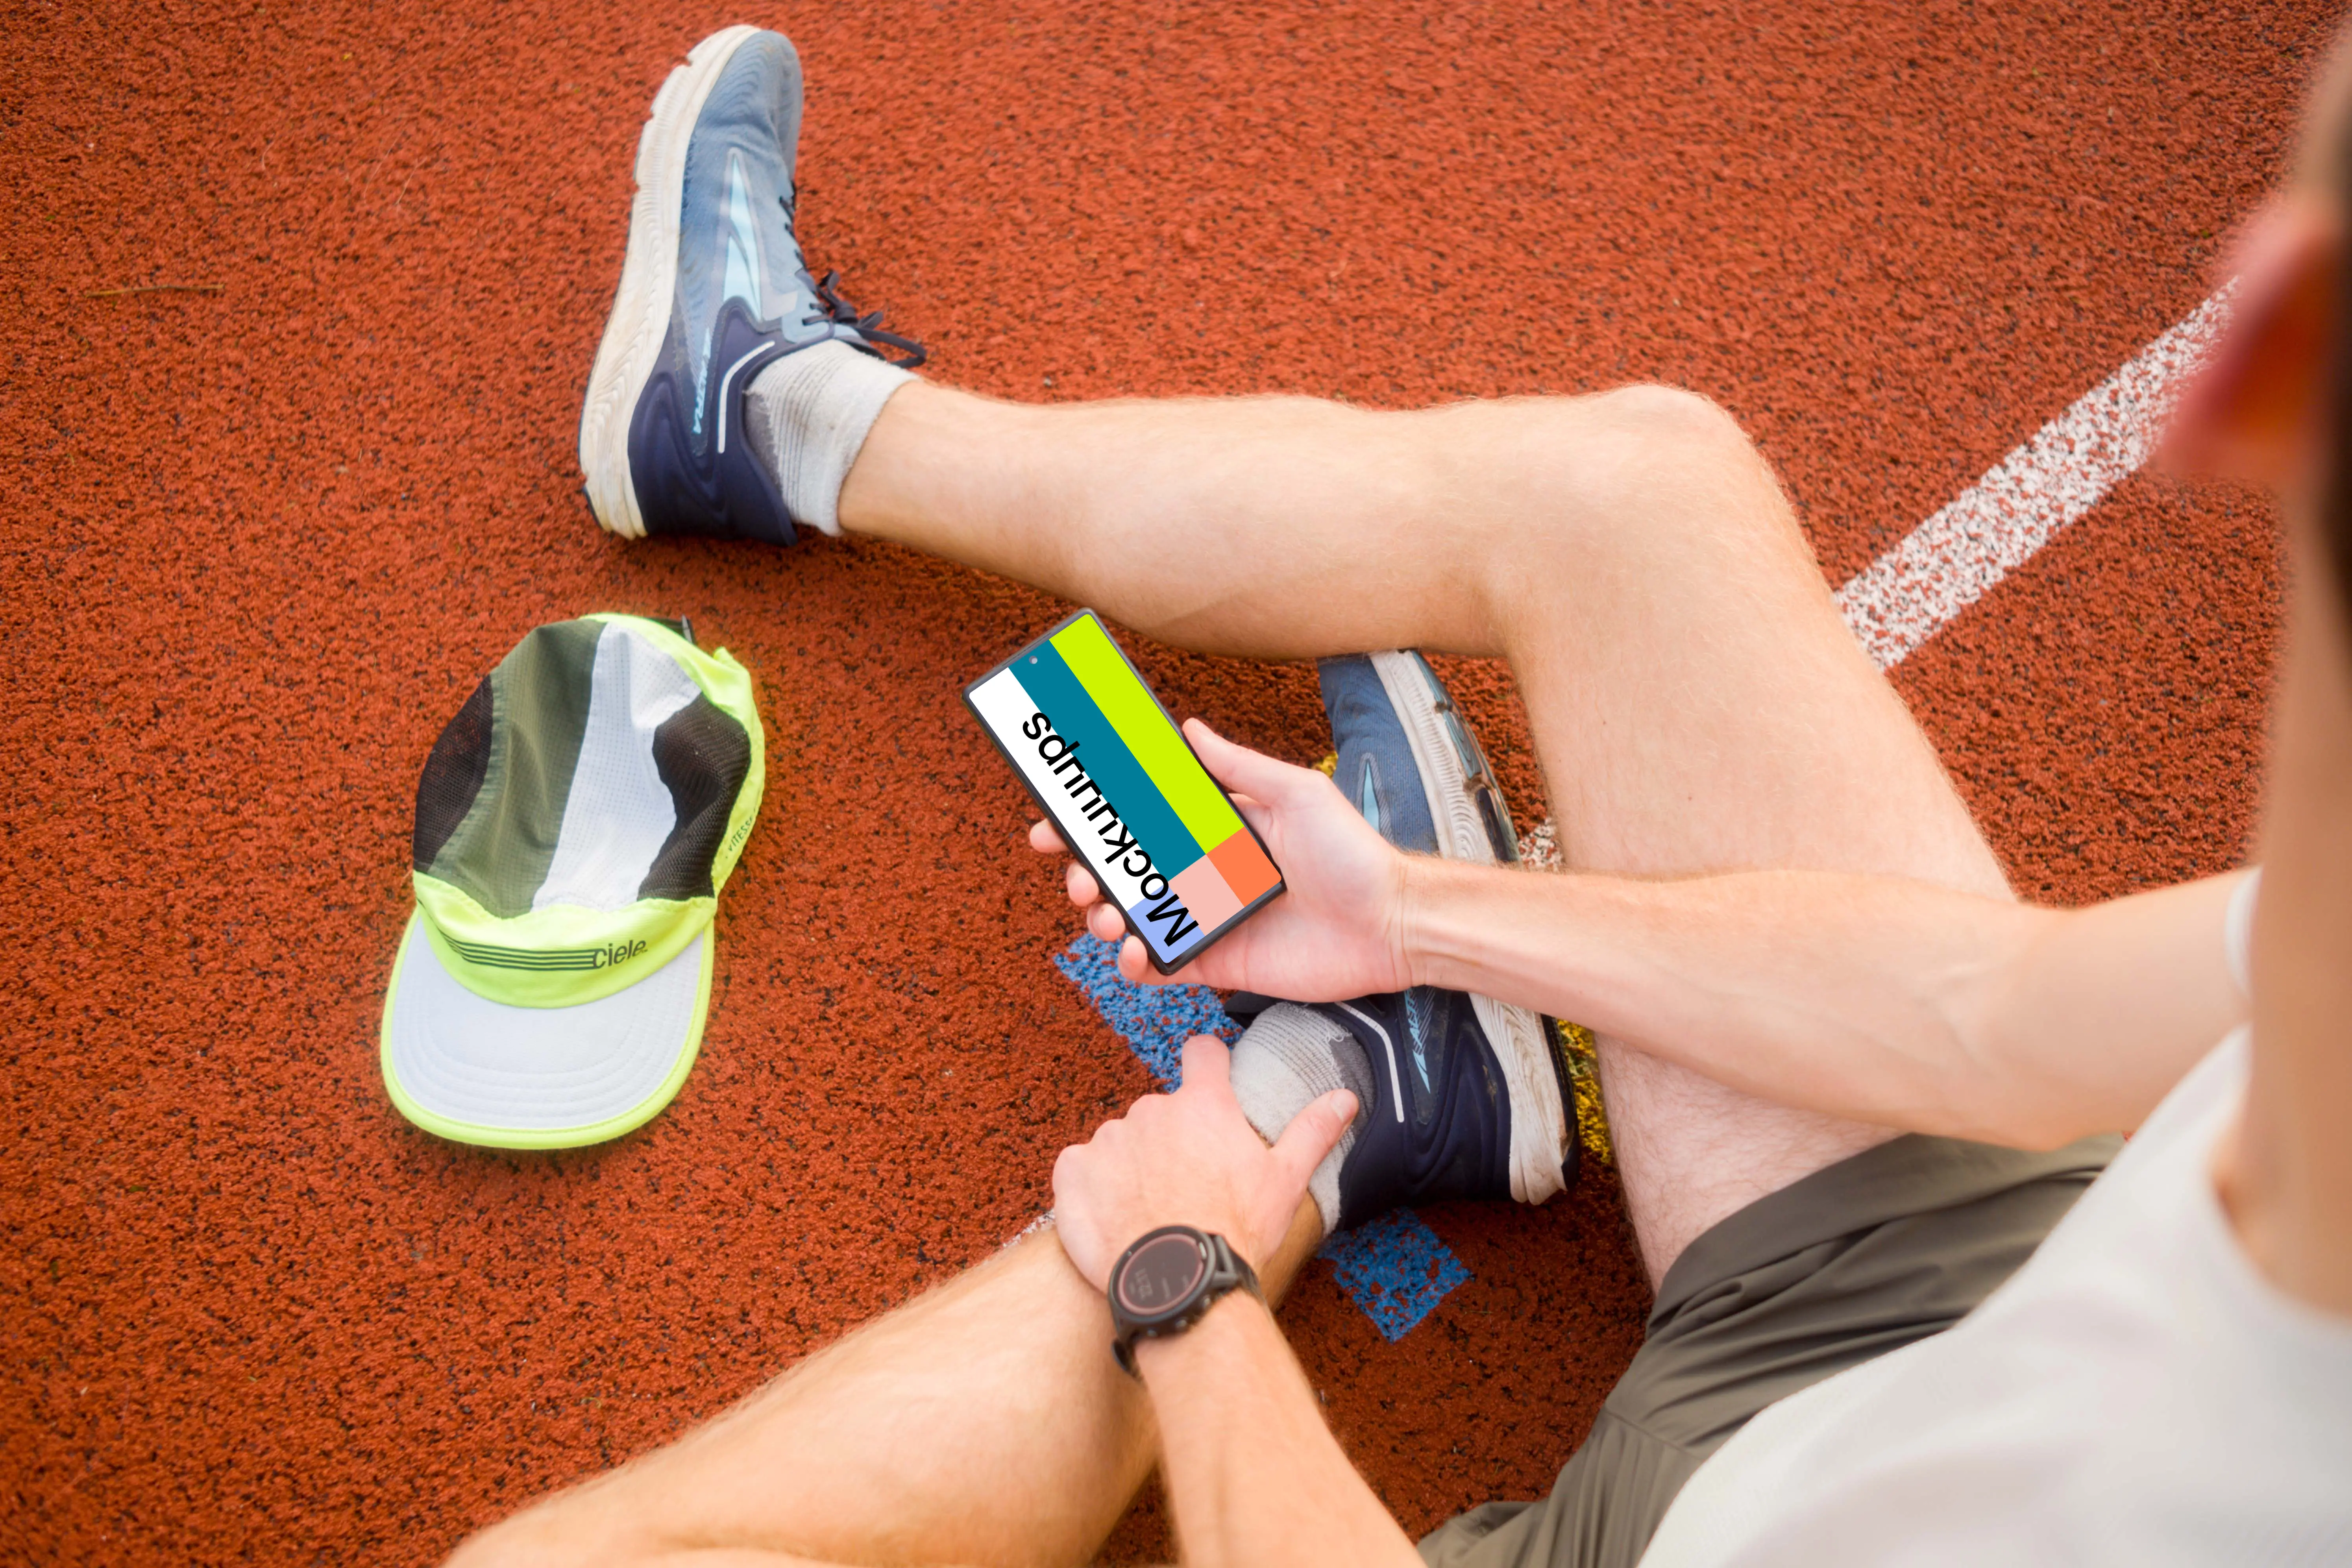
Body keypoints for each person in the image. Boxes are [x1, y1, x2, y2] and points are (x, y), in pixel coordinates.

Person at [455, 23, 2352, 1567]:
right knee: (1639, 500)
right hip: (1991, 1301)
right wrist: (1420, 912)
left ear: (2260, 346)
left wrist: (1187, 1280)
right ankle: (761, 410)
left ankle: (1301, 1113)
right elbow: (1997, 1026)